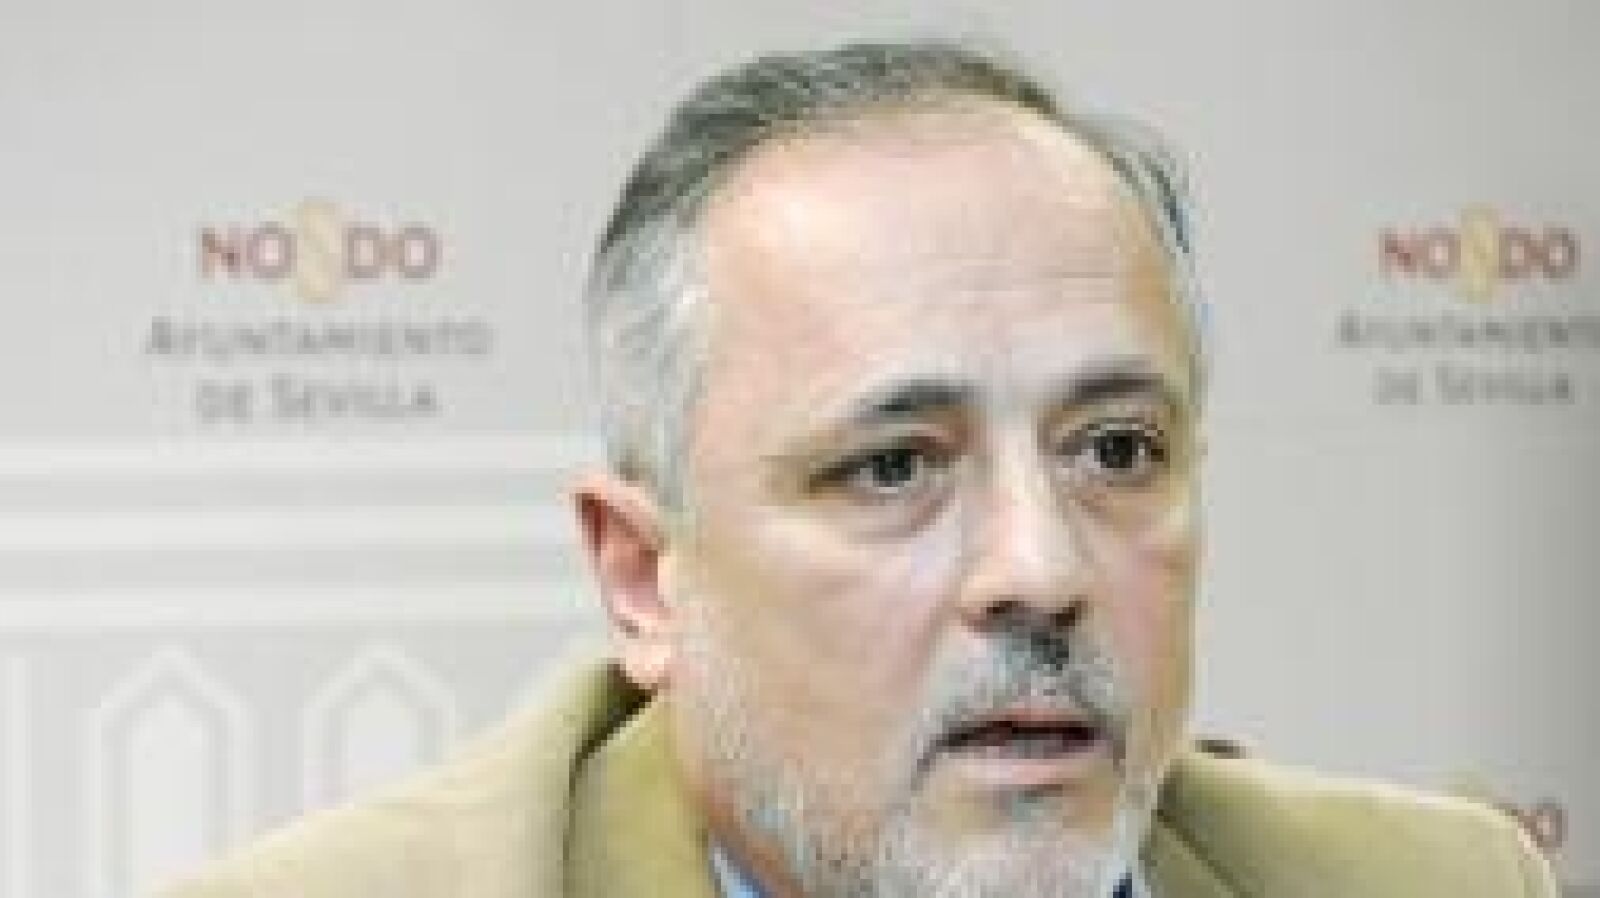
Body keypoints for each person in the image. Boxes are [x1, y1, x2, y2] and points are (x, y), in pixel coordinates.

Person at [164, 41, 1556, 898]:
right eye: (894, 466)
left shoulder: (1441, 886)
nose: (1041, 570)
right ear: (645, 579)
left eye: (1116, 450)